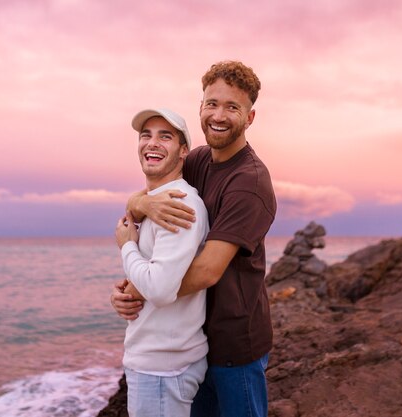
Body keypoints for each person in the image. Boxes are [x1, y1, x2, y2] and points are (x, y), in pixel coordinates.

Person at [112, 61, 277, 417]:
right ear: (200, 107)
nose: (219, 115)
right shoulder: (201, 159)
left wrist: (138, 290)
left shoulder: (250, 182)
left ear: (249, 118)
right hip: (195, 343)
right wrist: (141, 203)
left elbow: (206, 271)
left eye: (232, 107)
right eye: (212, 104)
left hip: (236, 344)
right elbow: (156, 178)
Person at [114, 108, 210, 417]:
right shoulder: (155, 202)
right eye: (146, 135)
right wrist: (126, 292)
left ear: (183, 151)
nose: (152, 143)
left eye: (165, 137)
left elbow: (159, 289)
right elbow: (153, 275)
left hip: (163, 367)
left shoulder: (177, 205)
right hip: (160, 361)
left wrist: (126, 246)